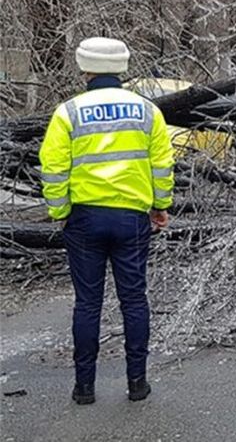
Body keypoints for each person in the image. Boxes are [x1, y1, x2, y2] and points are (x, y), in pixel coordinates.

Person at [38, 37, 175, 405]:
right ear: (122, 68)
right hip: (132, 217)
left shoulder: (67, 112)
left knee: (87, 303)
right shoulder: (147, 111)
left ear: (85, 68)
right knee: (133, 300)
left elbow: (53, 169)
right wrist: (159, 205)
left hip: (84, 219)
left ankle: (84, 388)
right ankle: (137, 384)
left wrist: (60, 212)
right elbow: (162, 165)